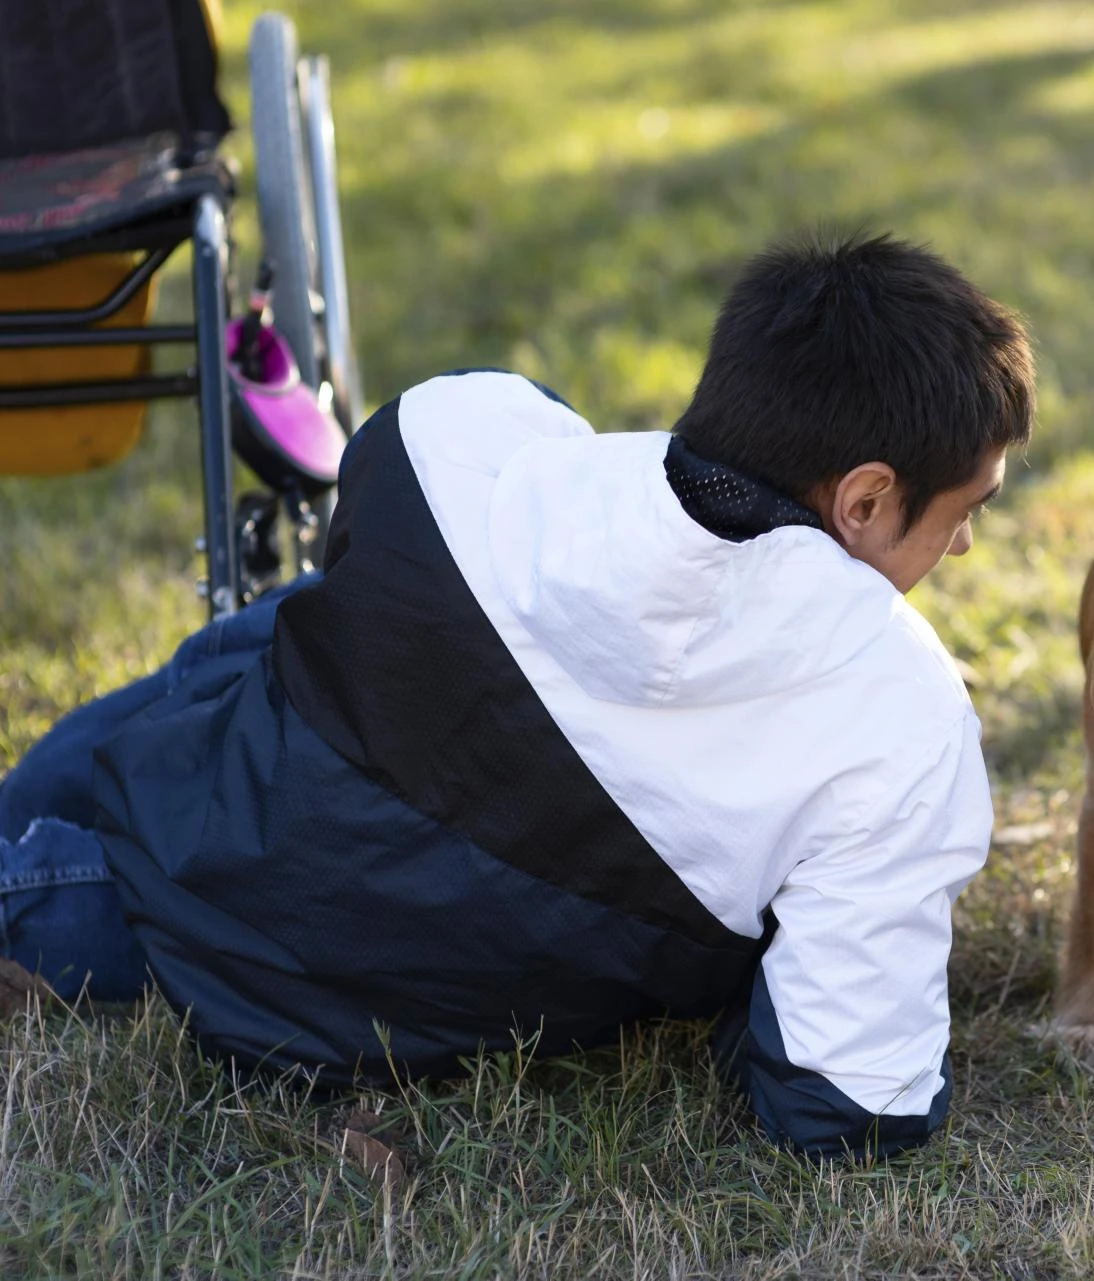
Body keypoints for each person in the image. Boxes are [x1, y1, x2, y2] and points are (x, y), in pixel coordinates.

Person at [0, 232, 1033, 1161]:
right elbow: (848, 1106)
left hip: (247, 764)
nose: (969, 542)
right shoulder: (900, 722)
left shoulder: (463, 436)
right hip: (274, 953)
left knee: (282, 636)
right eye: (965, 510)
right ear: (865, 500)